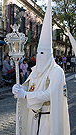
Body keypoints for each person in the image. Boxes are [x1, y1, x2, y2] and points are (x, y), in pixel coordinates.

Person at [12, 0, 70, 135]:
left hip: (49, 120)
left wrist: (26, 95)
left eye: (43, 54)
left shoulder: (57, 72)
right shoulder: (36, 70)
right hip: (34, 117)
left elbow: (50, 94)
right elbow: (30, 85)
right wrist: (20, 88)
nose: (40, 57)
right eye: (38, 54)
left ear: (50, 55)